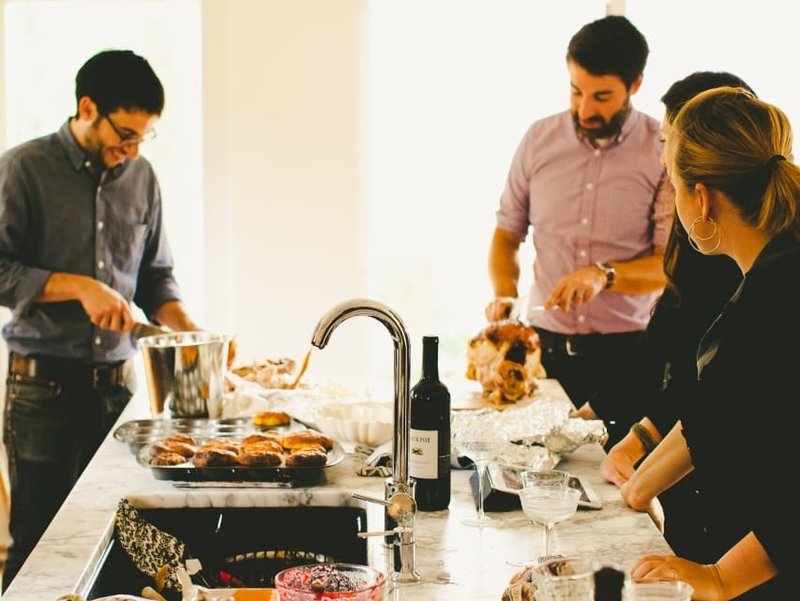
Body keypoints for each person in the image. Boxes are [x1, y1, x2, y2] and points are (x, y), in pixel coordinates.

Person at [0, 49, 201, 590]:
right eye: (126, 134)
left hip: (117, 392)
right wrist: (79, 289)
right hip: (40, 392)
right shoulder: (23, 168)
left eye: (143, 138)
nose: (133, 149)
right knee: (39, 548)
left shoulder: (141, 176)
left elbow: (157, 278)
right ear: (87, 107)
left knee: (126, 537)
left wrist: (188, 331)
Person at [623, 87, 797, 599]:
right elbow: (714, 414)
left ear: (701, 198)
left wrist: (720, 578)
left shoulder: (775, 302)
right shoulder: (771, 272)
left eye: (673, 183)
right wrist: (636, 489)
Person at [572, 72, 752, 558]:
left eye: (669, 144)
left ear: (703, 181)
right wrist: (625, 434)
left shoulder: (766, 278)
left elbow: (713, 395)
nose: (661, 161)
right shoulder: (709, 240)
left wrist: (641, 470)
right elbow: (668, 343)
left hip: (736, 499)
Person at [485, 15, 673, 446]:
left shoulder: (660, 148)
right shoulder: (538, 138)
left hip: (628, 357)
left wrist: (603, 274)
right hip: (541, 354)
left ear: (636, 84)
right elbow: (507, 234)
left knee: (613, 492)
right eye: (576, 91)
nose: (586, 109)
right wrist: (504, 292)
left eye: (602, 96)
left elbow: (668, 264)